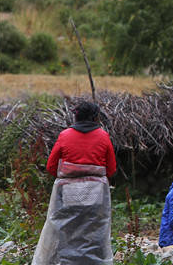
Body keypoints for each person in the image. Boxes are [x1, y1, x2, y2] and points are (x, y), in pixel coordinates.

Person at [33, 101, 116, 265]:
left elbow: (51, 167)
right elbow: (111, 169)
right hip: (97, 193)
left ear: (75, 117)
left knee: (65, 227)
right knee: (94, 227)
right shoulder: (103, 136)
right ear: (96, 117)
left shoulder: (65, 135)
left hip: (67, 192)